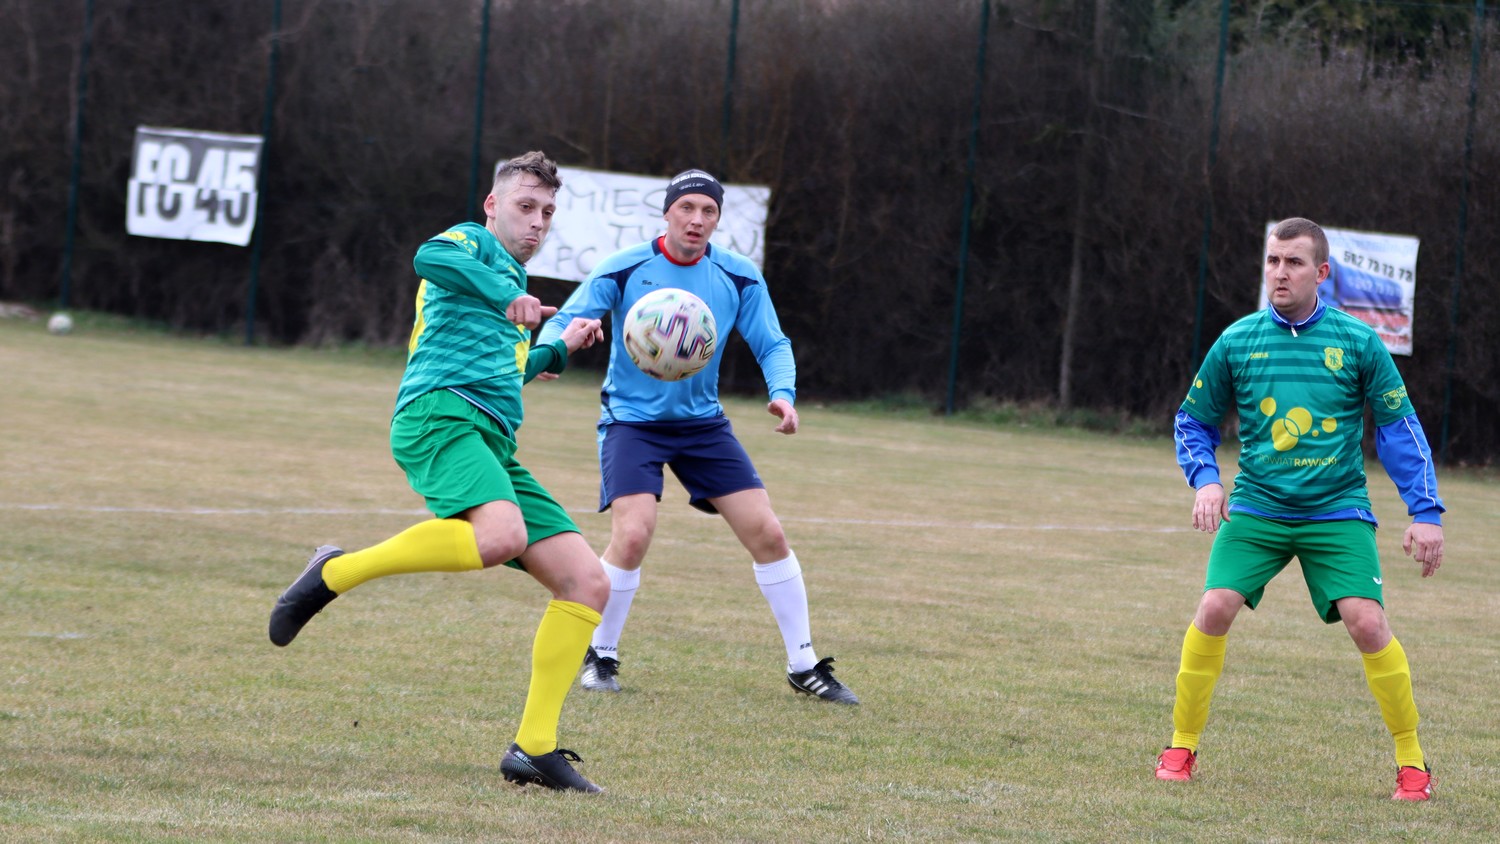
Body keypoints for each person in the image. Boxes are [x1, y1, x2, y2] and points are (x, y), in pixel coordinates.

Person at [268, 151, 613, 793]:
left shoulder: (511, 289)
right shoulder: (473, 246)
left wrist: (559, 348)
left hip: (490, 437)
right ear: (492, 205)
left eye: (547, 213)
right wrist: (508, 293)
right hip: (438, 415)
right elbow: (429, 257)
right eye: (525, 207)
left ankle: (534, 749)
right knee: (502, 537)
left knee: (588, 583)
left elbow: (507, 372)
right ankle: (334, 571)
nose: (537, 222)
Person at [536, 168, 858, 704]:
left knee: (769, 534)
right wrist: (554, 352)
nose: (697, 220)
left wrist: (783, 392)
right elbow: (569, 317)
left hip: (702, 426)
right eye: (687, 208)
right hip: (632, 423)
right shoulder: (625, 268)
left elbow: (772, 342)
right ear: (667, 212)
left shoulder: (737, 276)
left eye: (708, 211)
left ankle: (804, 665)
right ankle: (602, 656)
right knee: (633, 535)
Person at [1156, 217, 1446, 801]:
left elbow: (1398, 428)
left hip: (1336, 509)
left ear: (1321, 273)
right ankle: (1181, 745)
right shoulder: (1237, 341)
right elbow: (1194, 420)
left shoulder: (1359, 342)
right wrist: (1207, 481)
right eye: (1272, 261)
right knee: (1214, 607)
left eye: (1292, 262)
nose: (1279, 272)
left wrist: (1426, 512)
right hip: (1258, 507)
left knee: (1368, 622)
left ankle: (1412, 761)